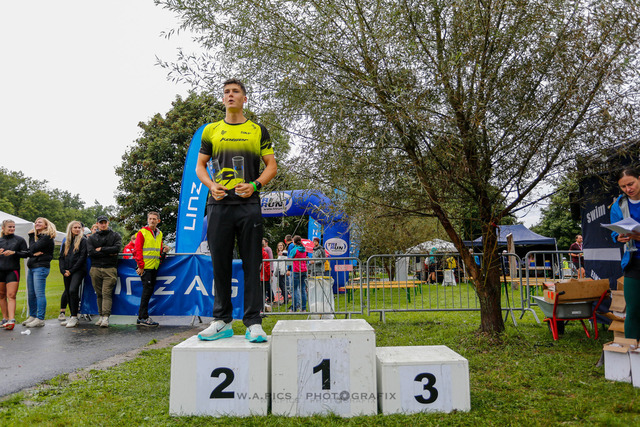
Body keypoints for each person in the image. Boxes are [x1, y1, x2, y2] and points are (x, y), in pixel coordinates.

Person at [195, 78, 277, 342]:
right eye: (226, 92)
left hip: (248, 205)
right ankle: (222, 321)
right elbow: (200, 166)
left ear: (244, 98)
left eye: (235, 92)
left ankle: (253, 323)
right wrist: (211, 185)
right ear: (223, 99)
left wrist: (255, 185)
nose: (230, 95)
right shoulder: (211, 131)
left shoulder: (257, 130)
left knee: (253, 264)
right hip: (218, 206)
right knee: (220, 264)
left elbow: (271, 165)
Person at [611, 168, 640, 339]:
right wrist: (618, 236)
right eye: (623, 186)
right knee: (633, 310)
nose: (628, 189)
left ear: (639, 179)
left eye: (631, 184)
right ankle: (631, 350)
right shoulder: (618, 205)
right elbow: (616, 230)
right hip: (633, 261)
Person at [133, 211, 168, 327]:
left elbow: (158, 249)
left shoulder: (159, 233)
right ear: (147, 220)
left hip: (154, 266)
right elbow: (137, 250)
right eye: (150, 219)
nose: (152, 220)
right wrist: (141, 266)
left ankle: (142, 317)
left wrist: (164, 251)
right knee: (146, 292)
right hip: (146, 268)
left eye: (154, 219)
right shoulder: (142, 232)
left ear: (158, 221)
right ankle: (143, 317)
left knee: (148, 292)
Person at [87, 215, 122, 328]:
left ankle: (106, 317)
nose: (103, 224)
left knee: (106, 293)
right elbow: (91, 252)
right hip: (95, 268)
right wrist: (109, 252)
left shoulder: (115, 235)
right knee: (99, 294)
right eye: (101, 223)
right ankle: (101, 315)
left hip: (110, 268)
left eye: (104, 222)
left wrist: (101, 249)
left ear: (108, 223)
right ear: (97, 224)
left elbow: (117, 249)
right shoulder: (92, 238)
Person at [23, 217, 56, 328]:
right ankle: (33, 316)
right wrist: (33, 252)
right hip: (32, 267)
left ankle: (40, 318)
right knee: (31, 294)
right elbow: (30, 251)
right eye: (36, 222)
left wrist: (31, 236)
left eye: (40, 222)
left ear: (46, 225)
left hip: (40, 267)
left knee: (39, 293)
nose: (37, 223)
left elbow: (32, 248)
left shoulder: (47, 237)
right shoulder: (39, 238)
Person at [0, 219, 29, 330]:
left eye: (13, 227)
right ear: (3, 228)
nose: (12, 228)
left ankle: (11, 319)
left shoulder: (19, 240)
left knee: (11, 295)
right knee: (1, 295)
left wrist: (14, 252)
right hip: (0, 271)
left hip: (13, 270)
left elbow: (26, 253)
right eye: (10, 227)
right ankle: (5, 318)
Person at [58, 221, 87, 328]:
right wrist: (63, 270)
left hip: (78, 270)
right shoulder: (66, 241)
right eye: (75, 227)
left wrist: (71, 270)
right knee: (68, 292)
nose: (77, 229)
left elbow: (82, 257)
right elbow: (61, 257)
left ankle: (74, 316)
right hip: (66, 271)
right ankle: (72, 315)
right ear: (70, 229)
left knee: (73, 290)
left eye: (79, 227)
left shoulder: (83, 241)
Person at [289, 235, 308, 312]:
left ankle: (294, 308)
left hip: (296, 270)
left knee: (294, 290)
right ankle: (303, 308)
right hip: (304, 270)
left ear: (294, 241)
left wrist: (288, 269)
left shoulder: (294, 249)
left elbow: (289, 259)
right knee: (303, 289)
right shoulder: (304, 249)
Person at [273, 241, 289, 305]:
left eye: (281, 245)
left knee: (282, 285)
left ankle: (286, 300)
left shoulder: (284, 252)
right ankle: (285, 299)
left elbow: (283, 263)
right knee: (281, 285)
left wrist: (282, 272)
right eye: (279, 245)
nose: (280, 246)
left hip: (282, 271)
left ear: (283, 246)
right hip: (279, 271)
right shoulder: (279, 253)